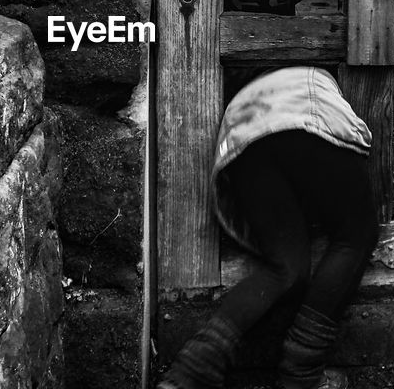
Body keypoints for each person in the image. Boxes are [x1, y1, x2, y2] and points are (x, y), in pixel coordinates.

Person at [160, 66, 380, 389]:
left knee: (287, 268)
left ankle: (192, 369)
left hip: (245, 126)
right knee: (356, 235)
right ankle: (300, 374)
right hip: (306, 105)